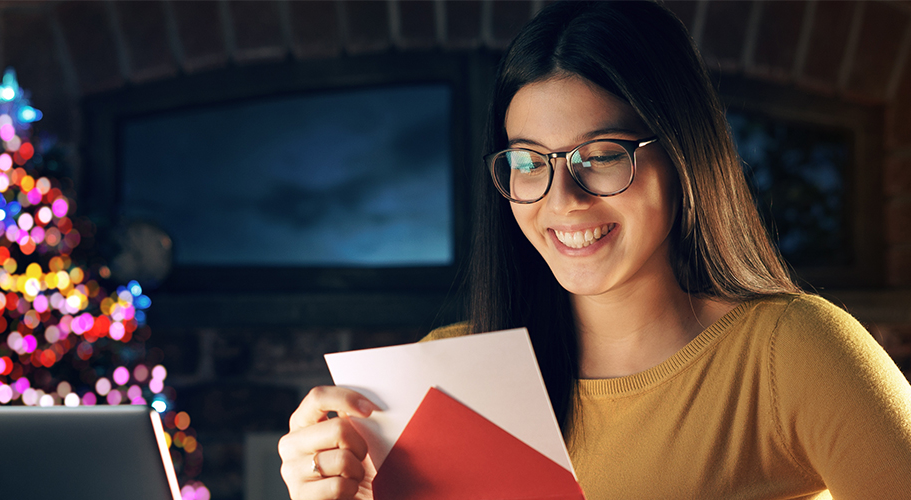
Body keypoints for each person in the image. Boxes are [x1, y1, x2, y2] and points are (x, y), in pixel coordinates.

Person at [278, 1, 911, 499]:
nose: (564, 200)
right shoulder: (439, 377)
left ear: (683, 154)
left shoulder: (791, 353)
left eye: (602, 156)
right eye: (530, 162)